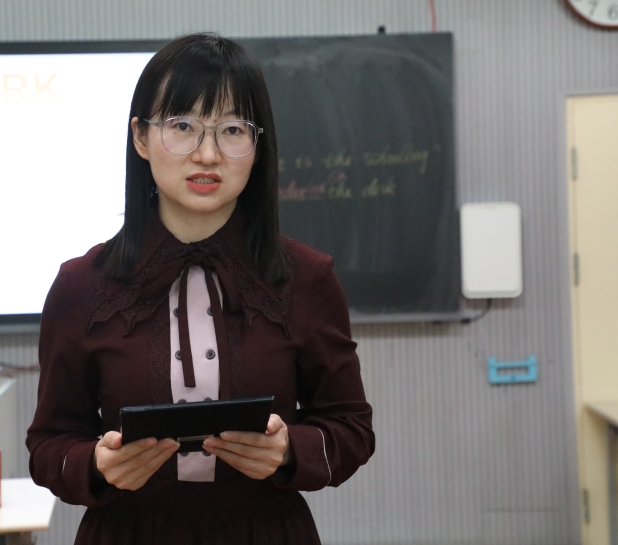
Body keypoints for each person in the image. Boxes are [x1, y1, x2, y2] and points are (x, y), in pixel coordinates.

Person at [27, 33, 374, 544]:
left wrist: (288, 451)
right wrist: (96, 464)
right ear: (141, 138)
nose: (207, 154)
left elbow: (350, 428)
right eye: (182, 127)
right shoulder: (82, 285)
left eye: (232, 129)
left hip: (266, 532)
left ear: (257, 145)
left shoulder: (306, 277)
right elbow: (49, 443)